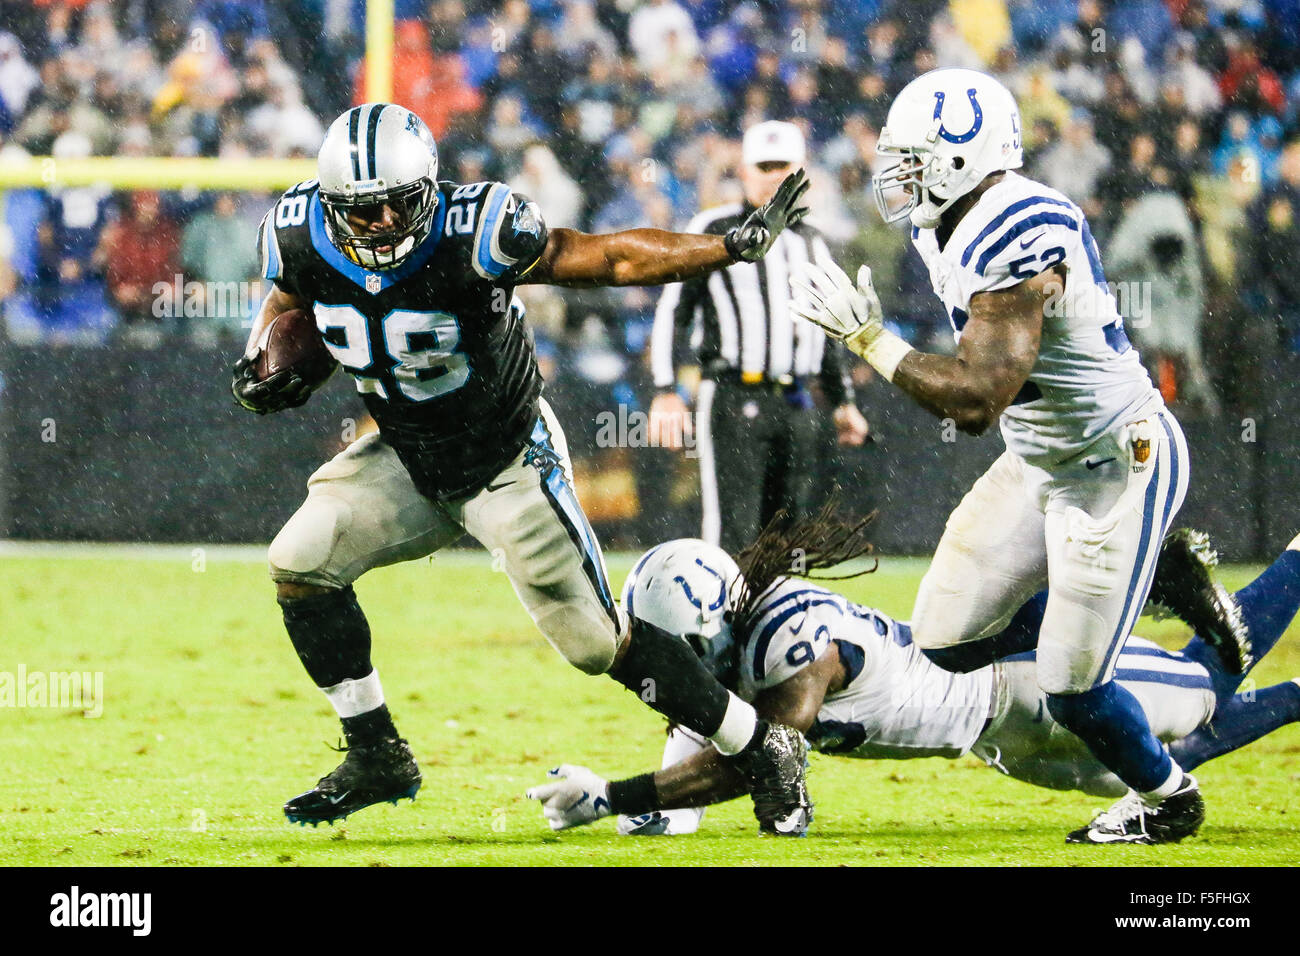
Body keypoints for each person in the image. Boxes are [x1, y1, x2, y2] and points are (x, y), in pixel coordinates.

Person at [230, 103, 815, 834]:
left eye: (395, 203)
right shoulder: (296, 233)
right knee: (299, 561)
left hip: (507, 458)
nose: (380, 220)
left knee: (598, 645)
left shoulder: (477, 230)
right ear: (329, 203)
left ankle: (764, 745)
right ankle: (376, 752)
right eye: (361, 208)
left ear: (430, 190)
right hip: (408, 456)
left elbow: (609, 257)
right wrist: (260, 359)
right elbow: (289, 301)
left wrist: (724, 247)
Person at [789, 69, 1249, 844]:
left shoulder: (1018, 228)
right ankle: (1136, 591)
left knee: (1073, 687)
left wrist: (869, 341)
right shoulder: (948, 222)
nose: (897, 177)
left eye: (914, 159)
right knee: (946, 637)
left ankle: (1170, 799)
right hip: (1041, 459)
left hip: (1116, 464)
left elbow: (976, 399)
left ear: (961, 160)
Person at [527, 515, 1298, 842]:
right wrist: (638, 806)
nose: (686, 673)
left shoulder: (794, 639)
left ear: (719, 620)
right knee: (1150, 774)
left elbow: (769, 757)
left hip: (1024, 680)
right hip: (999, 740)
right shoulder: (737, 644)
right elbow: (696, 773)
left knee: (1206, 681)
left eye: (688, 652)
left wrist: (614, 798)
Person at [649, 121, 869, 551]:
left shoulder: (813, 240)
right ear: (744, 171)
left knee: (793, 535)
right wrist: (665, 389)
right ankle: (725, 618)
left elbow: (825, 330)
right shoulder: (714, 228)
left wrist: (843, 401)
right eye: (763, 165)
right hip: (734, 395)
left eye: (781, 165)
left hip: (799, 400)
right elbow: (674, 311)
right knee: (734, 529)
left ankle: (783, 619)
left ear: (801, 170)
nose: (772, 175)